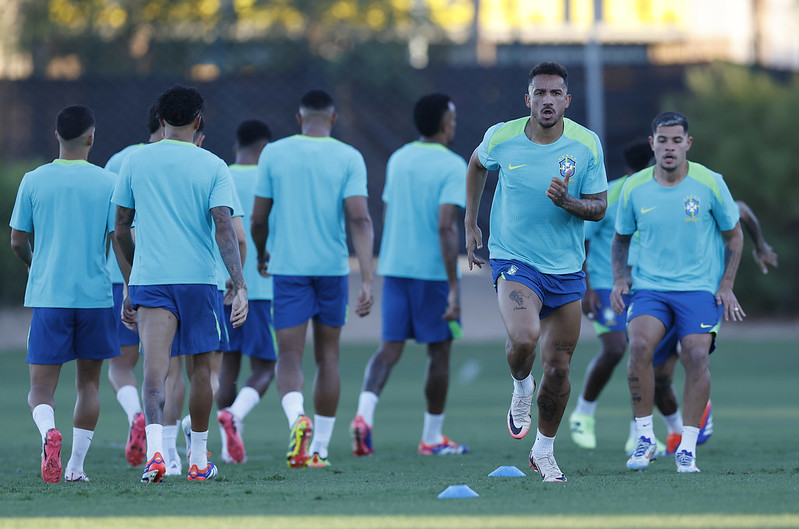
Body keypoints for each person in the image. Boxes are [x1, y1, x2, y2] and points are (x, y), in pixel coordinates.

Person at [464, 62, 608, 482]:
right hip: (514, 260)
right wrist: (471, 223)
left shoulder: (586, 145)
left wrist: (570, 204)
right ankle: (521, 385)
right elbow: (475, 164)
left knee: (560, 370)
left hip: (565, 269)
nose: (547, 100)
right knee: (524, 337)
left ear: (567, 100)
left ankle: (543, 452)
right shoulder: (502, 137)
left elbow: (599, 207)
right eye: (539, 93)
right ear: (527, 100)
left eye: (555, 93)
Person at [112, 85, 248, 483]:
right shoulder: (213, 165)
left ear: (161, 120)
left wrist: (134, 276)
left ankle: (156, 455)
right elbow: (225, 227)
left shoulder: (135, 162)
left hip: (152, 280)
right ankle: (198, 460)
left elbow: (121, 229)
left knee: (154, 371)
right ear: (198, 121)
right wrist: (238, 284)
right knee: (201, 372)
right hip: (199, 282)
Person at [611, 111, 744, 473]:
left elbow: (734, 234)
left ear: (688, 143)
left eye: (676, 140)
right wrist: (620, 279)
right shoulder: (634, 188)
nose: (669, 147)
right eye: (662, 140)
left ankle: (686, 446)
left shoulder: (710, 183)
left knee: (697, 356)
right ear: (652, 143)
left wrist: (726, 283)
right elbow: (620, 240)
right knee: (639, 347)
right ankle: (644, 438)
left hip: (698, 290)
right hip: (651, 289)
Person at [251, 89, 374, 469]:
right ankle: (319, 447)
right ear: (333, 119)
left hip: (288, 269)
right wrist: (367, 279)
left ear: (299, 118)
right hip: (333, 270)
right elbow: (359, 219)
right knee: (329, 358)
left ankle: (296, 419)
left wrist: (260, 252)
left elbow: (258, 218)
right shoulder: (349, 156)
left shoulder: (273, 152)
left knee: (288, 355)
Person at [350, 93, 467, 457]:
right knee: (440, 351)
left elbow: (387, 210)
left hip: (396, 267)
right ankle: (432, 437)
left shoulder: (398, 158)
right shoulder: (453, 165)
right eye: (453, 118)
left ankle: (363, 415)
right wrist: (453, 286)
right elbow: (446, 227)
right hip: (431, 272)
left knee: (389, 349)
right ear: (444, 123)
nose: (455, 123)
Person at [9, 105, 119, 483]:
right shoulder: (109, 182)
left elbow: (17, 241)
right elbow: (118, 238)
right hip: (96, 297)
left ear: (56, 135)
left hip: (49, 295)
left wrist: (34, 264)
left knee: (40, 387)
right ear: (91, 137)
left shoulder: (33, 180)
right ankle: (75, 468)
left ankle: (47, 433)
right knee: (88, 385)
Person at [104, 104, 164, 468]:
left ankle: (134, 416)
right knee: (165, 367)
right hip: (167, 278)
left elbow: (115, 226)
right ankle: (168, 444)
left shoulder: (120, 161)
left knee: (121, 365)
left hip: (121, 277)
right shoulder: (190, 159)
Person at [215, 119, 277, 465]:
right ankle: (235, 414)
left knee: (228, 366)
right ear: (264, 149)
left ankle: (227, 448)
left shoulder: (220, 174)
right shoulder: (268, 179)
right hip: (260, 289)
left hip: (222, 286)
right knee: (266, 366)